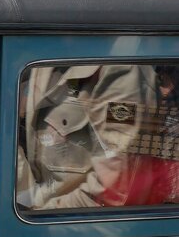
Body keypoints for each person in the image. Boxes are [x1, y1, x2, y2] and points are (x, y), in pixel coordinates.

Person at [17, 64, 157, 209]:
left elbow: (114, 190)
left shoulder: (121, 68)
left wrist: (41, 218)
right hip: (30, 212)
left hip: (78, 222)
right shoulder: (41, 56)